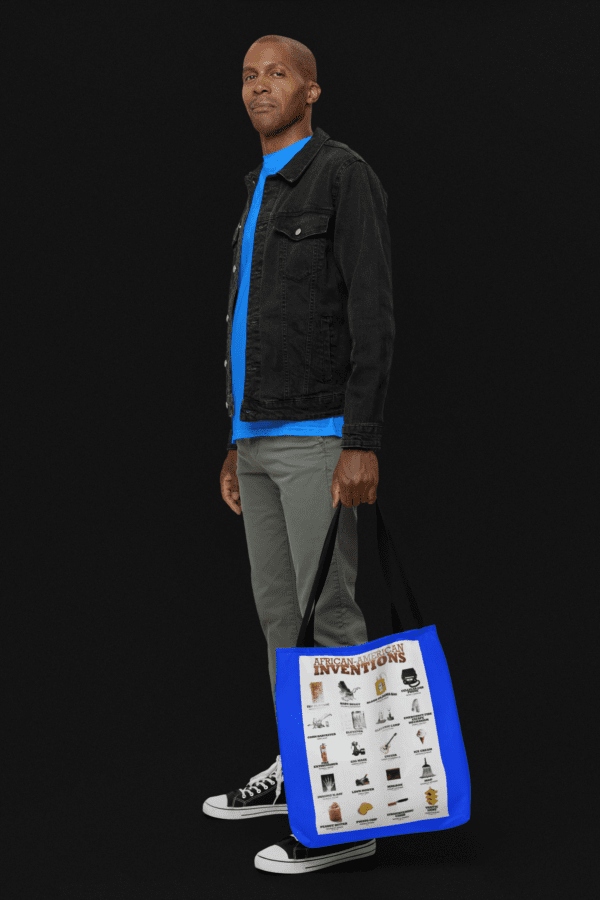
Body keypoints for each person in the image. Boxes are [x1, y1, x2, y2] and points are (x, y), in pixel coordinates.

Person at [203, 34, 395, 874]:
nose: (258, 87)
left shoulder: (342, 175)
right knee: (282, 621)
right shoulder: (256, 189)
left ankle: (350, 814)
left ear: (311, 90)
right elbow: (251, 327)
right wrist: (235, 438)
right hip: (260, 440)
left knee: (333, 619)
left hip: (321, 437)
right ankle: (302, 771)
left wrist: (361, 440)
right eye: (247, 75)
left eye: (276, 73)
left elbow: (374, 316)